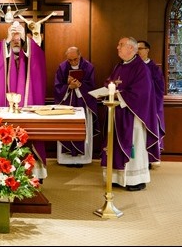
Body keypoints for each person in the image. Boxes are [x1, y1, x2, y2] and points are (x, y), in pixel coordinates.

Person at [100, 37, 160, 191]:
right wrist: (107, 89)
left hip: (133, 115)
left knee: (134, 145)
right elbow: (110, 82)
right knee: (114, 145)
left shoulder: (141, 68)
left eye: (121, 45)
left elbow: (142, 92)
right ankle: (115, 177)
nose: (117, 47)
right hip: (117, 113)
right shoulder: (119, 66)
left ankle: (135, 180)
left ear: (131, 49)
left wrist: (119, 94)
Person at [0, 20, 47, 181]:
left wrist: (25, 38)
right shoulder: (1, 52)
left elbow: (38, 58)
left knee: (30, 138)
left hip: (28, 105)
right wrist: (6, 40)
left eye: (18, 38)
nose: (16, 41)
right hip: (6, 106)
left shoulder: (30, 55)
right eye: (12, 38)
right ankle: (6, 171)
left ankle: (35, 172)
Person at [54, 46, 100, 168]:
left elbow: (91, 86)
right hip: (67, 103)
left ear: (80, 55)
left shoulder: (88, 67)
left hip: (83, 103)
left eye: (75, 59)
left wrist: (79, 86)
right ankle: (66, 159)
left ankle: (82, 159)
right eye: (70, 60)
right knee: (66, 130)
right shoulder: (62, 67)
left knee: (82, 130)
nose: (73, 62)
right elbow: (57, 86)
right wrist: (69, 87)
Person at [137, 40, 166, 161]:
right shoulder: (132, 66)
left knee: (148, 132)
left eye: (140, 49)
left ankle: (149, 158)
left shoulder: (154, 68)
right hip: (136, 106)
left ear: (147, 50)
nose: (137, 51)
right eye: (136, 49)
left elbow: (160, 88)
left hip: (150, 106)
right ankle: (137, 159)